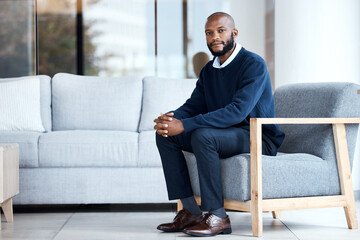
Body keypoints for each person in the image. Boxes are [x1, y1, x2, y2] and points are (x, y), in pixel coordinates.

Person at [153, 12, 285, 237]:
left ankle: (218, 217)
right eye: (209, 32)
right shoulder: (209, 70)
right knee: (165, 134)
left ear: (234, 33)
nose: (215, 37)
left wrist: (185, 125)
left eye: (221, 31)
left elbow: (237, 112)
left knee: (203, 135)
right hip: (226, 134)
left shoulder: (253, 64)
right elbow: (194, 105)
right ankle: (191, 211)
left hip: (256, 135)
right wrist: (171, 119)